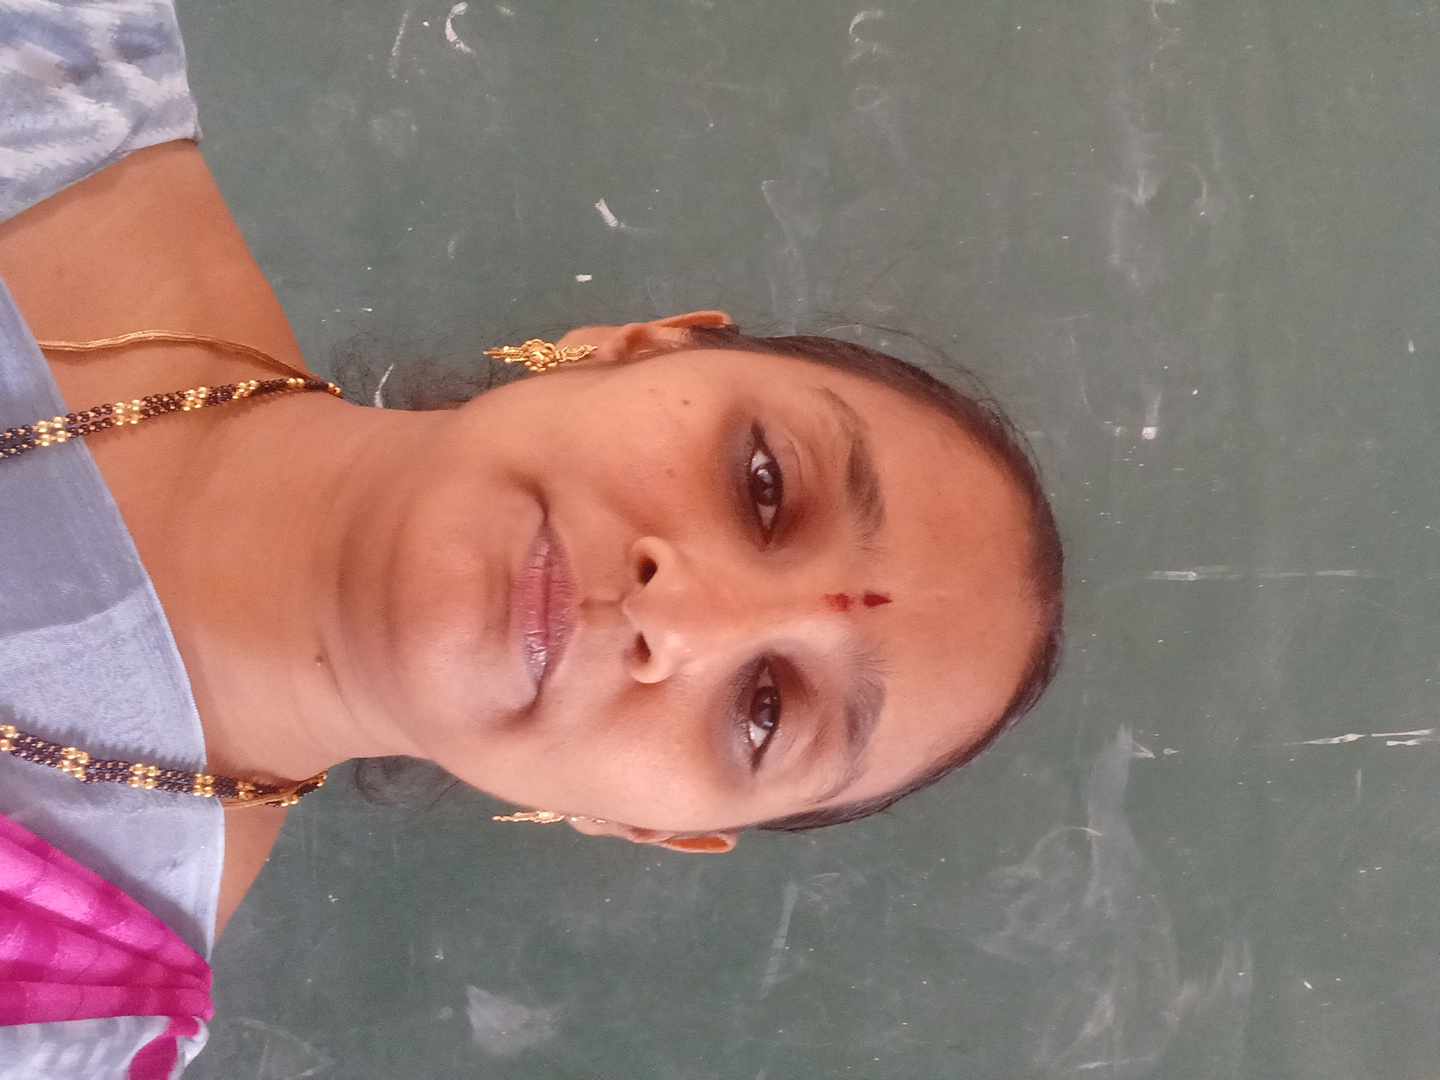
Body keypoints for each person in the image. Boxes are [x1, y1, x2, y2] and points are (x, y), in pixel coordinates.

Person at [0, 1, 1062, 1075]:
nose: (678, 616)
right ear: (636, 347)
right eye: (763, 485)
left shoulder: (58, 1013)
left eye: (765, 711)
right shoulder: (51, 46)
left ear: (639, 827)